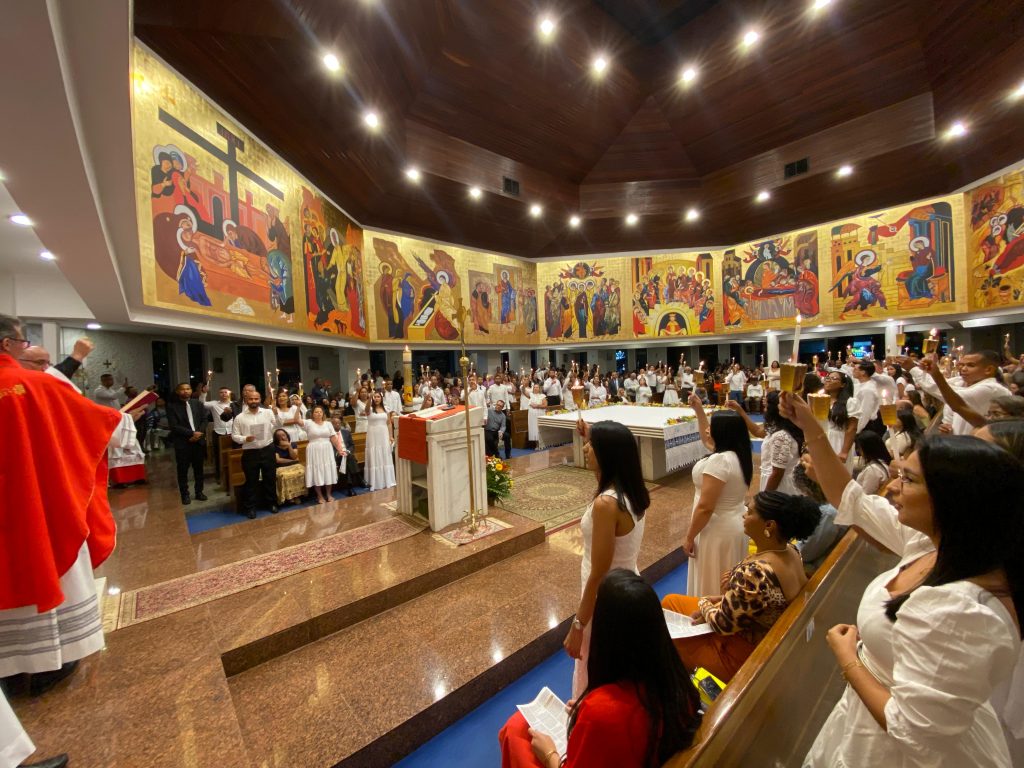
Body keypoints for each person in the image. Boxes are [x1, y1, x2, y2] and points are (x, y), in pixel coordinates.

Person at [780, 392, 1023, 768]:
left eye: (908, 479)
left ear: (956, 496)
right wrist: (810, 427)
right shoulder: (932, 542)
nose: (891, 488)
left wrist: (849, 659)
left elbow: (916, 734)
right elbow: (854, 500)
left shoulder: (962, 608)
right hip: (868, 716)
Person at [0, 314, 121, 699]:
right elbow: (94, 426)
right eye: (24, 345)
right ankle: (46, 663)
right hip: (33, 503)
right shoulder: (31, 386)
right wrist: (120, 421)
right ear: (7, 345)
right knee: (46, 561)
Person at [501, 570, 701, 768]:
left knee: (516, 729)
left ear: (607, 635)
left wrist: (549, 754)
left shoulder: (601, 711)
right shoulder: (678, 681)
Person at [662, 491, 821, 682]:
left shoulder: (756, 572)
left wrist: (705, 603)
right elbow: (761, 601)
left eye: (751, 512)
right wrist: (723, 599)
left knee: (666, 632)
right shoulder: (791, 551)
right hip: (760, 629)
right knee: (671, 601)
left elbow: (722, 624)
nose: (745, 514)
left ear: (769, 525)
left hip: (742, 651)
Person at [565, 420, 649, 699]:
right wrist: (592, 433)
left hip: (604, 596)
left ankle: (591, 713)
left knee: (597, 665)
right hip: (626, 584)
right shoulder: (630, 491)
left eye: (592, 445)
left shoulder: (606, 505)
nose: (585, 449)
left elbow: (599, 572)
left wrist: (579, 624)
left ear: (608, 454)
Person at [684, 395, 753, 596]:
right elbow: (707, 439)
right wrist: (698, 409)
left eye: (712, 426)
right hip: (732, 524)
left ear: (722, 433)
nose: (708, 430)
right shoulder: (738, 453)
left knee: (713, 580)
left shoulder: (720, 461)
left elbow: (706, 507)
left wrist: (689, 536)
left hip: (716, 529)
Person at [904, 350, 1008, 434]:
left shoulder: (993, 388)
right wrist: (949, 428)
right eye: (961, 365)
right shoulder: (960, 381)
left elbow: (954, 399)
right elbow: (933, 385)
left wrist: (915, 369)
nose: (963, 369)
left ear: (988, 370)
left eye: (971, 365)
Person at [726, 391, 802, 493]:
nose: (764, 410)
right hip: (772, 479)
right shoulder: (779, 426)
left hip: (779, 486)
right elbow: (757, 431)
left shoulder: (781, 436)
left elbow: (777, 473)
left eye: (766, 407)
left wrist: (764, 497)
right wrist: (739, 409)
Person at [231, 388, 283, 518]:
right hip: (250, 453)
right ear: (246, 400)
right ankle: (251, 508)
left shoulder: (267, 412)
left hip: (267, 449)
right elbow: (234, 436)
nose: (254, 401)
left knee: (270, 478)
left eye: (256, 398)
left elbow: (278, 426)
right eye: (251, 399)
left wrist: (276, 414)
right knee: (251, 481)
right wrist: (245, 439)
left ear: (260, 400)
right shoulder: (240, 417)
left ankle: (271, 503)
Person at [166, 382, 209, 505]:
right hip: (183, 442)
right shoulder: (172, 406)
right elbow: (174, 426)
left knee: (199, 469)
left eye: (188, 388)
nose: (186, 391)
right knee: (183, 470)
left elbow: (204, 419)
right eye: (183, 389)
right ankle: (185, 494)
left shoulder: (197, 403)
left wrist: (198, 433)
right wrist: (191, 434)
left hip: (198, 442)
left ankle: (199, 492)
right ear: (177, 392)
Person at [823, 371, 858, 469]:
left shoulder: (850, 402)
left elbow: (852, 428)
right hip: (822, 438)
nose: (828, 380)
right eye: (827, 378)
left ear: (843, 384)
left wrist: (844, 451)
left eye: (833, 378)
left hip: (838, 440)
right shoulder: (821, 399)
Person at [303, 405, 338, 503]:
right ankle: (319, 496)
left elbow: (333, 438)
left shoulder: (328, 424)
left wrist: (340, 449)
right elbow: (297, 420)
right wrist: (298, 406)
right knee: (316, 471)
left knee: (328, 471)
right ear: (312, 414)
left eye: (320, 412)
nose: (318, 413)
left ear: (323, 414)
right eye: (316, 412)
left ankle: (329, 494)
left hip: (327, 449)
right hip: (314, 449)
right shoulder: (308, 423)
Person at [365, 392, 396, 491]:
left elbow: (389, 423)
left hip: (384, 434)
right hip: (373, 435)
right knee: (375, 455)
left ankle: (387, 480)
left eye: (378, 397)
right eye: (375, 397)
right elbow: (366, 410)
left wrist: (391, 436)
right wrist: (369, 398)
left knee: (384, 455)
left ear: (381, 398)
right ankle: (375, 482)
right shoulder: (369, 409)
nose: (376, 398)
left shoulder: (386, 408)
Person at [204, 385, 235, 477]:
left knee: (232, 453)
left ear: (229, 393)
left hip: (232, 432)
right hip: (218, 432)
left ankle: (231, 475)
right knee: (217, 454)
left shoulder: (234, 404)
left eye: (226, 392)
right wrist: (204, 393)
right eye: (221, 392)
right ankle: (218, 475)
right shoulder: (214, 404)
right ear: (219, 394)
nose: (224, 394)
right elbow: (202, 403)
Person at [273, 428, 306, 505]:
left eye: (283, 435)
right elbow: (278, 460)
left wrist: (289, 445)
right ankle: (289, 497)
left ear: (287, 435)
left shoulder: (293, 444)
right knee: (284, 475)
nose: (282, 437)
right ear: (276, 438)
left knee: (302, 471)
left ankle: (297, 495)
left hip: (293, 465)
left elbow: (294, 456)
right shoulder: (274, 446)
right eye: (279, 436)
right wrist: (292, 461)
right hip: (280, 467)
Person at [330, 416, 362, 495]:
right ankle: (360, 478)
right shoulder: (329, 435)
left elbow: (352, 445)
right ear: (331, 425)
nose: (337, 424)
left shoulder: (346, 432)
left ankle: (349, 487)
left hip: (347, 454)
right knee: (348, 458)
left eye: (339, 423)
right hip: (337, 456)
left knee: (347, 459)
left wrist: (347, 451)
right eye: (335, 423)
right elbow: (330, 448)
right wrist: (338, 453)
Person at [852, 431, 891, 495]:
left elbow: (866, 494)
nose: (858, 451)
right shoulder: (882, 463)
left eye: (859, 448)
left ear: (867, 449)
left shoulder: (872, 470)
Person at [528, 383, 547, 449]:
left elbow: (545, 405)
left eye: (537, 387)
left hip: (540, 414)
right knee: (534, 429)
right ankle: (537, 445)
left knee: (540, 428)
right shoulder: (531, 395)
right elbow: (531, 405)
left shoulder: (542, 396)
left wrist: (537, 405)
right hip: (532, 415)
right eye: (534, 387)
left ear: (539, 388)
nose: (535, 388)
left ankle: (542, 444)